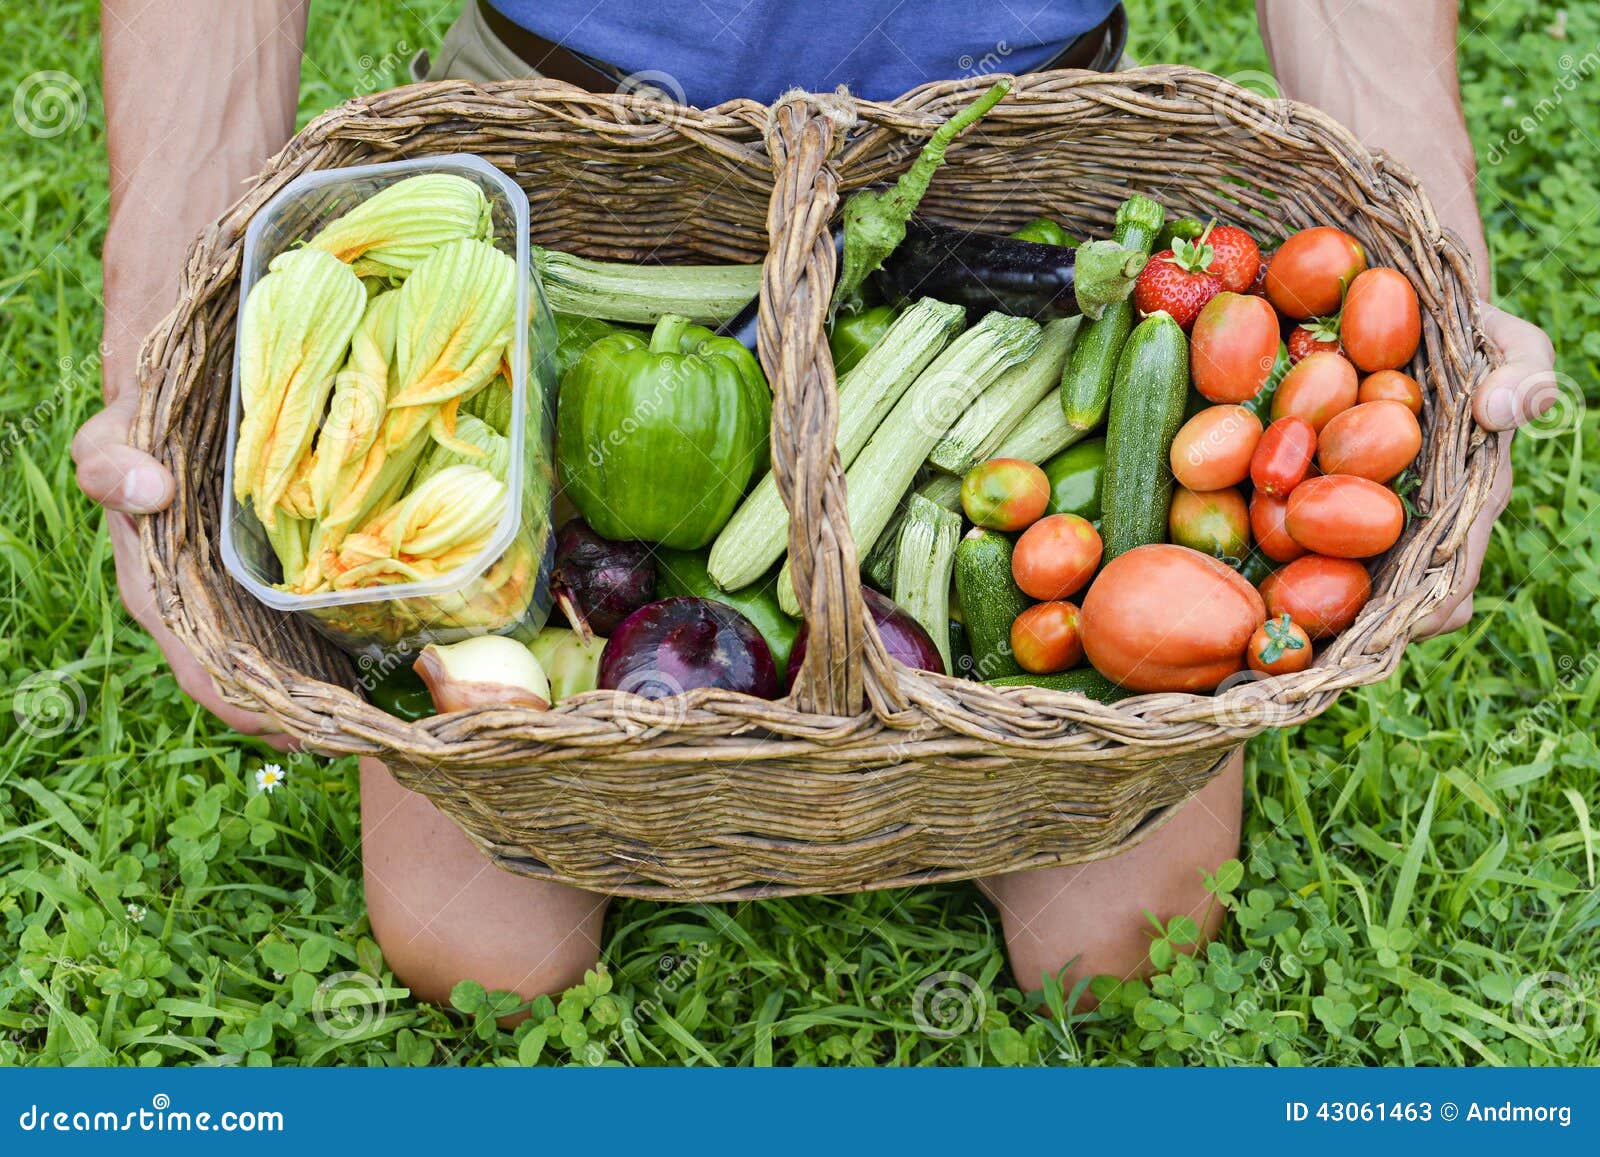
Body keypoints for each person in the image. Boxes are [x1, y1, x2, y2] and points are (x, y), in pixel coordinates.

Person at [79, 0, 1556, 1007]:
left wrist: (1416, 252)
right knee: (475, 949)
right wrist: (167, 324)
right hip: (583, 132)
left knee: (1118, 946)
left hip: (1012, 128)